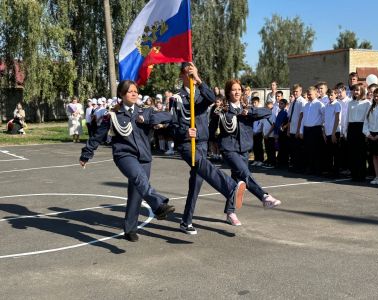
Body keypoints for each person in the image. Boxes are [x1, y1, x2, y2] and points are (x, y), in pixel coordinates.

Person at [79, 80, 175, 242]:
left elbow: (168, 116)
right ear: (122, 95)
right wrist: (86, 153)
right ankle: (158, 205)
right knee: (139, 178)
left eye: (135, 91)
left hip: (144, 157)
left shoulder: (145, 111)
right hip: (124, 156)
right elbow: (98, 135)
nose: (134, 94)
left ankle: (129, 229)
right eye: (130, 91)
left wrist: (149, 120)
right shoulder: (113, 114)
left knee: (137, 192)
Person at [170, 62, 246, 233]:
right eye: (186, 72)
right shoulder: (177, 97)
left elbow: (213, 99)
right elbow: (172, 126)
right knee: (203, 165)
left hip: (202, 142)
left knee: (196, 182)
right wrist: (184, 131)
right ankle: (230, 188)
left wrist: (198, 79)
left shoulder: (201, 93)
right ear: (181, 75)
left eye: (192, 71)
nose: (188, 74)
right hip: (187, 144)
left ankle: (185, 221)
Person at [217, 79, 281, 214]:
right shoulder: (223, 109)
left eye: (239, 89)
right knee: (245, 174)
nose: (237, 92)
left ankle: (230, 212)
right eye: (234, 89)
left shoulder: (247, 108)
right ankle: (264, 196)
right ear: (228, 92)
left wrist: (249, 112)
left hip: (244, 149)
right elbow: (211, 127)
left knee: (237, 181)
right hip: (229, 149)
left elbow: (268, 112)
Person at [344, 83, 371, 181]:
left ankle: (361, 174)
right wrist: (345, 130)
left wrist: (366, 132)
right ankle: (354, 174)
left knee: (361, 153)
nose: (355, 92)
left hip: (361, 128)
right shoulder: (350, 103)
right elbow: (347, 117)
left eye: (358, 90)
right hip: (352, 128)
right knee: (352, 152)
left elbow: (367, 119)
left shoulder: (367, 103)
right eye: (354, 90)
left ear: (362, 91)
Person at [298, 86, 325, 175]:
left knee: (316, 151)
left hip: (316, 130)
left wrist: (323, 127)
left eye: (310, 94)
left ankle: (317, 169)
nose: (309, 96)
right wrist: (301, 131)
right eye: (308, 94)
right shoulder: (306, 105)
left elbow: (325, 117)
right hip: (307, 130)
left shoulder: (320, 104)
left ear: (315, 94)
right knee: (308, 150)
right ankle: (310, 168)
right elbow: (303, 119)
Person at [287, 84, 306, 172]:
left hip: (298, 130)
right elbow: (290, 117)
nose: (295, 93)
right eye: (294, 91)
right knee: (292, 149)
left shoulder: (302, 102)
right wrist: (288, 129)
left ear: (301, 91)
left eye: (297, 91)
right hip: (292, 129)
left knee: (298, 149)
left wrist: (299, 130)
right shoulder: (293, 102)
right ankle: (294, 165)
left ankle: (299, 167)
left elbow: (301, 117)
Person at [323, 89, 342, 177]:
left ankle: (336, 171)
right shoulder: (326, 106)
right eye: (329, 95)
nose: (330, 97)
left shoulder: (337, 104)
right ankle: (330, 170)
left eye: (332, 95)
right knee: (328, 153)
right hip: (327, 132)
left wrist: (334, 133)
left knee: (336, 153)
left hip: (335, 132)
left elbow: (337, 119)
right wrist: (324, 133)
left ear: (336, 95)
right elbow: (325, 120)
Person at [273, 98, 289, 168]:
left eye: (282, 104)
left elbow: (283, 123)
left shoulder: (285, 113)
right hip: (278, 132)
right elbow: (276, 123)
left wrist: (279, 130)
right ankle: (280, 162)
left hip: (282, 132)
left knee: (283, 148)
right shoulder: (280, 112)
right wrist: (275, 132)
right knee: (280, 148)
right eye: (279, 103)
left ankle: (283, 163)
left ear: (285, 105)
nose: (280, 105)